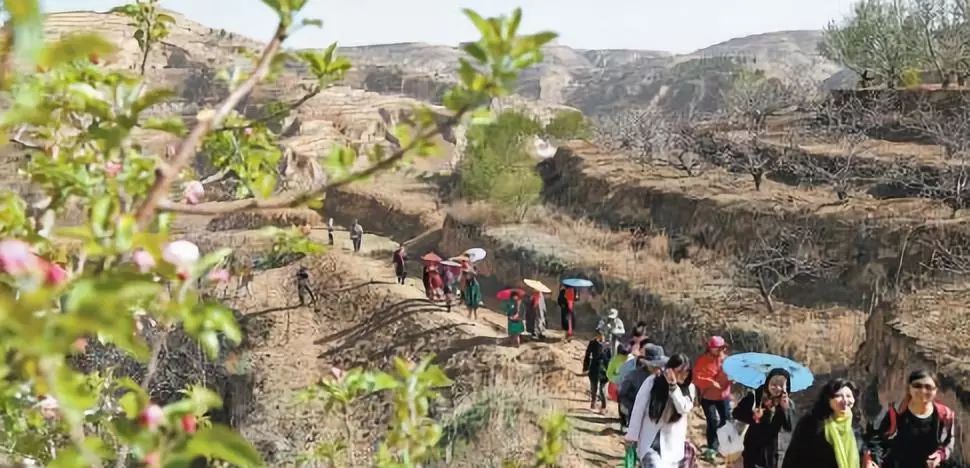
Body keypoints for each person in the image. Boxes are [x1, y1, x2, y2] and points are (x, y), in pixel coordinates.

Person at [867, 370, 956, 468]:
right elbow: (876, 440)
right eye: (917, 386)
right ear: (909, 388)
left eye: (928, 387)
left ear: (936, 390)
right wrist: (874, 462)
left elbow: (948, 443)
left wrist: (940, 456)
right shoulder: (895, 412)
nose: (923, 391)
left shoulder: (945, 415)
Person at [782, 378, 878, 468]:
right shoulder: (812, 423)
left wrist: (869, 461)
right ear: (828, 399)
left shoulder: (855, 426)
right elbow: (793, 457)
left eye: (849, 396)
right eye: (838, 396)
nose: (845, 400)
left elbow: (864, 451)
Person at [625, 353, 696, 467]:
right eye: (679, 372)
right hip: (650, 441)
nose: (684, 376)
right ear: (669, 370)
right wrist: (632, 436)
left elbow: (683, 408)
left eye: (687, 372)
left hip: (672, 444)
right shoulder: (653, 382)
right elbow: (638, 409)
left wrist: (673, 388)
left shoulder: (689, 388)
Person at [732, 368, 794, 468]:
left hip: (773, 452)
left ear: (786, 387)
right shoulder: (755, 396)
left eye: (781, 385)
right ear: (768, 382)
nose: (777, 387)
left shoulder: (787, 403)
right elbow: (736, 413)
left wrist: (785, 409)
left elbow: (789, 427)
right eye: (773, 384)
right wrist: (752, 416)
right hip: (752, 448)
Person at [694, 335, 733, 462]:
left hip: (723, 396)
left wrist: (733, 379)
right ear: (710, 348)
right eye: (715, 348)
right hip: (708, 396)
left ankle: (724, 445)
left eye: (720, 348)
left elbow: (732, 375)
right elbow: (697, 378)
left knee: (726, 420)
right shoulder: (703, 361)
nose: (718, 350)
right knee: (712, 421)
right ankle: (712, 447)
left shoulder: (727, 361)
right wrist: (710, 382)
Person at [619, 344, 670, 433]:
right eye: (655, 365)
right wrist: (635, 407)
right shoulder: (634, 376)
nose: (658, 368)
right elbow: (623, 395)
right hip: (638, 421)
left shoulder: (666, 378)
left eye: (660, 365)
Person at [607, 343, 635, 429]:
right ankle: (626, 423)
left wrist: (618, 379)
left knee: (622, 404)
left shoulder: (615, 360)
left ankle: (624, 423)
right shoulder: (633, 360)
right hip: (630, 387)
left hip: (622, 386)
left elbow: (609, 374)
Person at [583, 332, 610, 413]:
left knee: (602, 389)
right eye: (599, 334)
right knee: (593, 387)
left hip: (604, 370)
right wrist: (586, 367)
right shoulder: (593, 343)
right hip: (594, 367)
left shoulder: (607, 345)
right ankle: (593, 402)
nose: (601, 336)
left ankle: (604, 406)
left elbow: (610, 358)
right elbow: (587, 355)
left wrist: (610, 370)